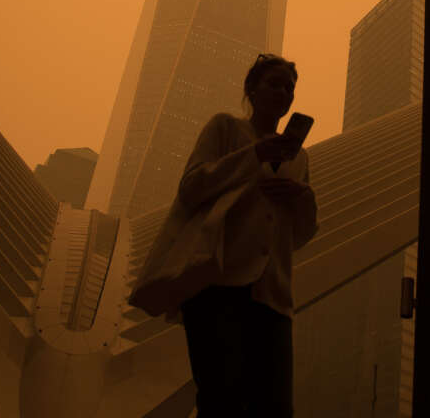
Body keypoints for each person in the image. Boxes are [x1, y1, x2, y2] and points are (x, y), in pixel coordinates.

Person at [128, 53, 318, 418]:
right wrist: (254, 155)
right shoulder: (225, 129)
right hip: (217, 283)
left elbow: (300, 234)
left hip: (273, 296)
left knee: (276, 407)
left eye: (289, 88)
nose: (283, 93)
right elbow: (191, 186)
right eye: (274, 83)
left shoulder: (299, 158)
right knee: (220, 398)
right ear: (252, 89)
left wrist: (302, 198)